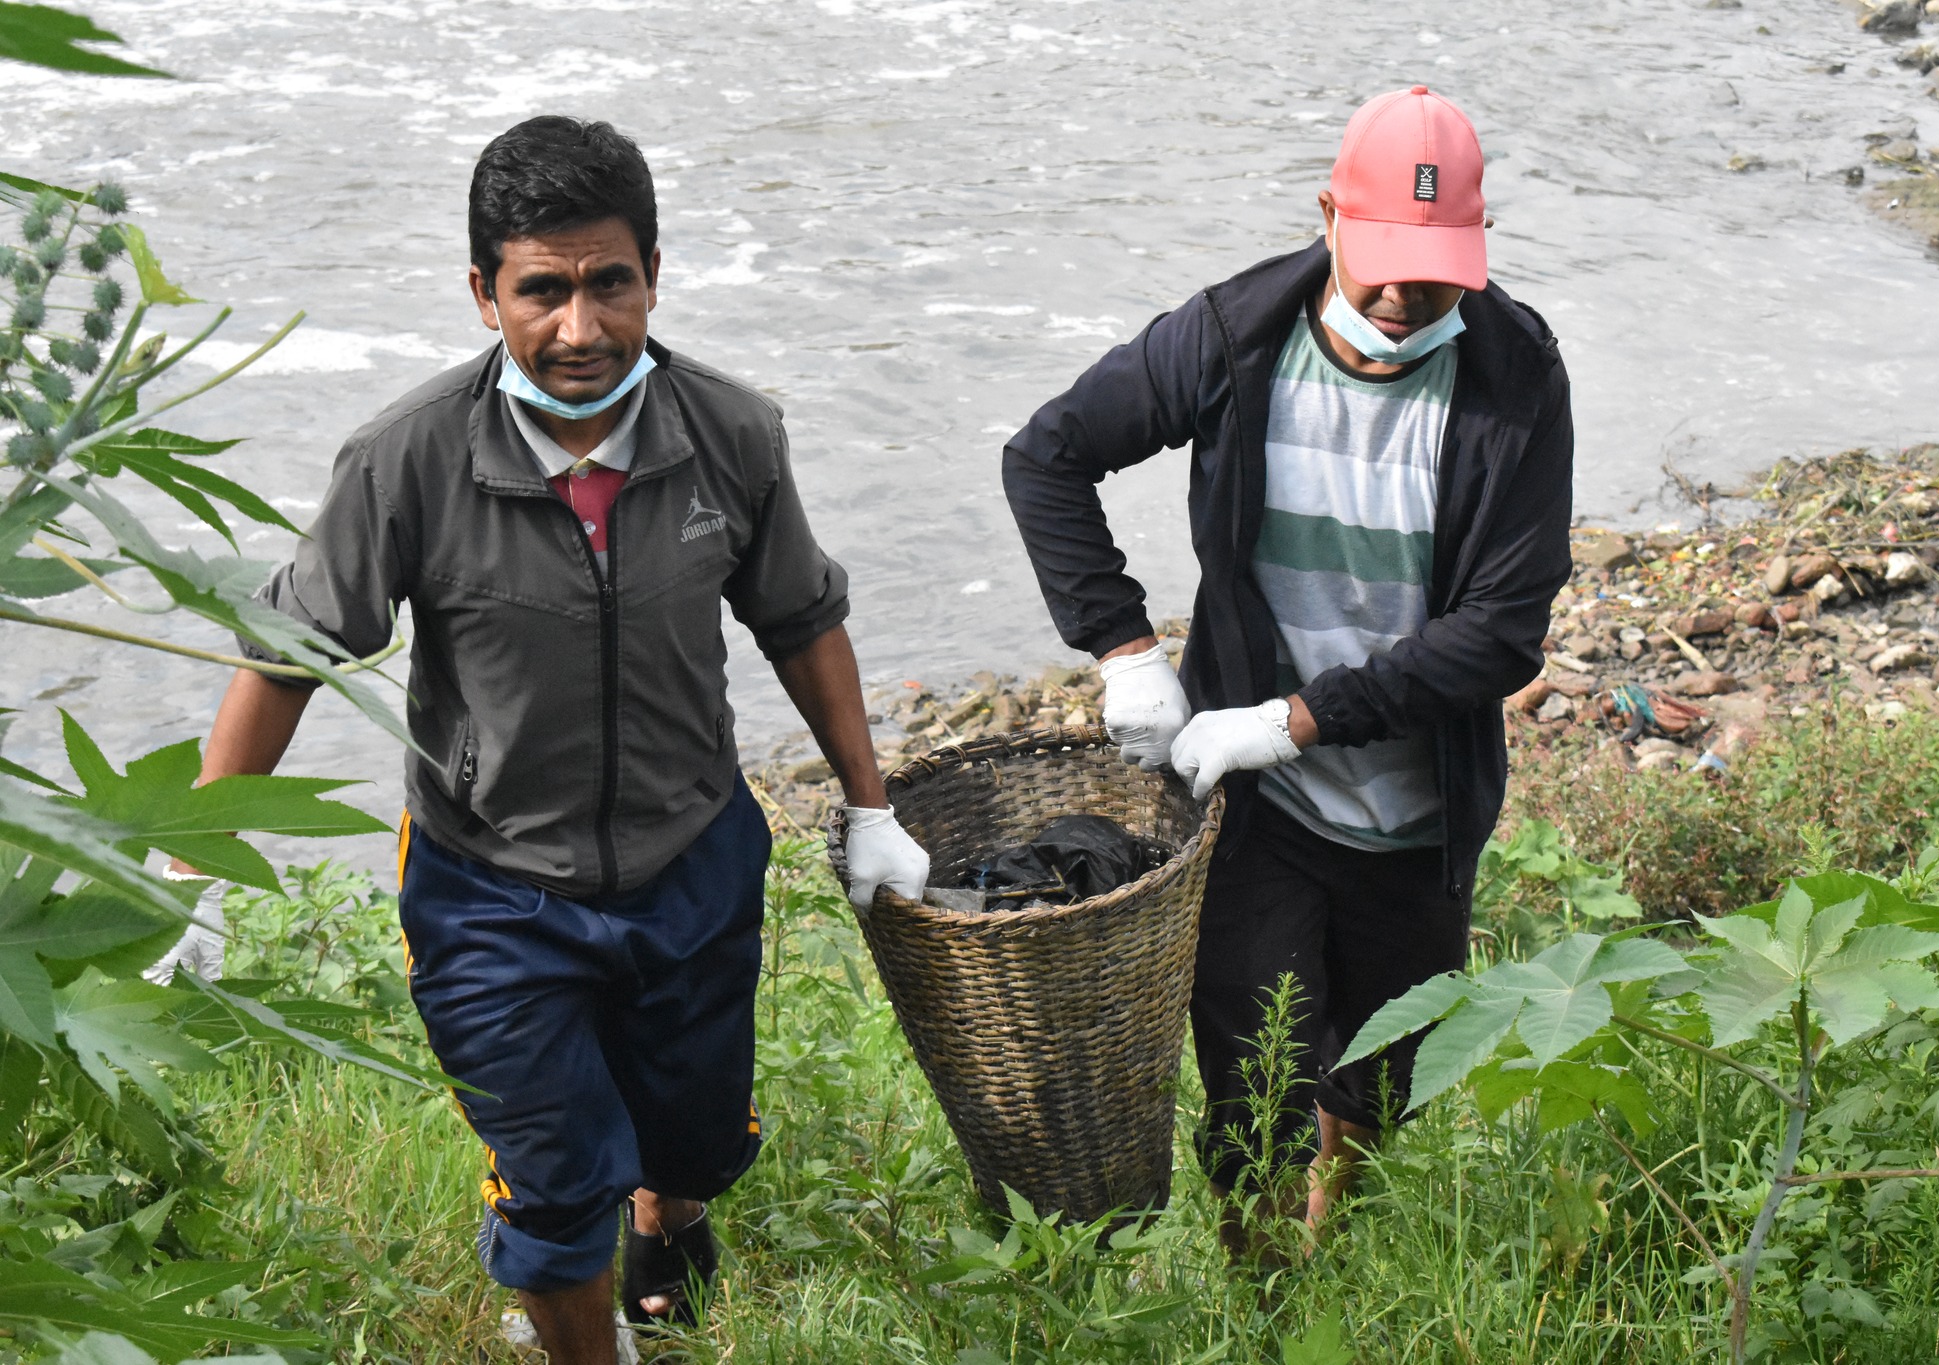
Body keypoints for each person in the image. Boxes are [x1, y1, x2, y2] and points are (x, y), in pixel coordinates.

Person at [174, 116, 929, 1360]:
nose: (580, 330)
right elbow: (289, 660)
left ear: (651, 277)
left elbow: (802, 620)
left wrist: (871, 804)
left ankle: (669, 1211)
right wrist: (190, 864)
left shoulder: (730, 434)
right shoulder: (403, 461)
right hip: (491, 888)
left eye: (608, 285)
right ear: (484, 294)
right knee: (553, 1178)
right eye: (542, 290)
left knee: (687, 1133)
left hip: (692, 856)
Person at [1002, 87, 1572, 1250]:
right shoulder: (1232, 336)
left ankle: (1329, 1239)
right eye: (1383, 263)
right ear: (1327, 215)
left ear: (1478, 245)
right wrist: (1123, 651)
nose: (1407, 296)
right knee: (1251, 1086)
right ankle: (1267, 1286)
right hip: (1257, 808)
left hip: (1417, 811)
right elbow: (1046, 457)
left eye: (1438, 270)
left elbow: (1501, 632)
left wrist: (1294, 717)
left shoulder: (1513, 378)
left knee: (1378, 1076)